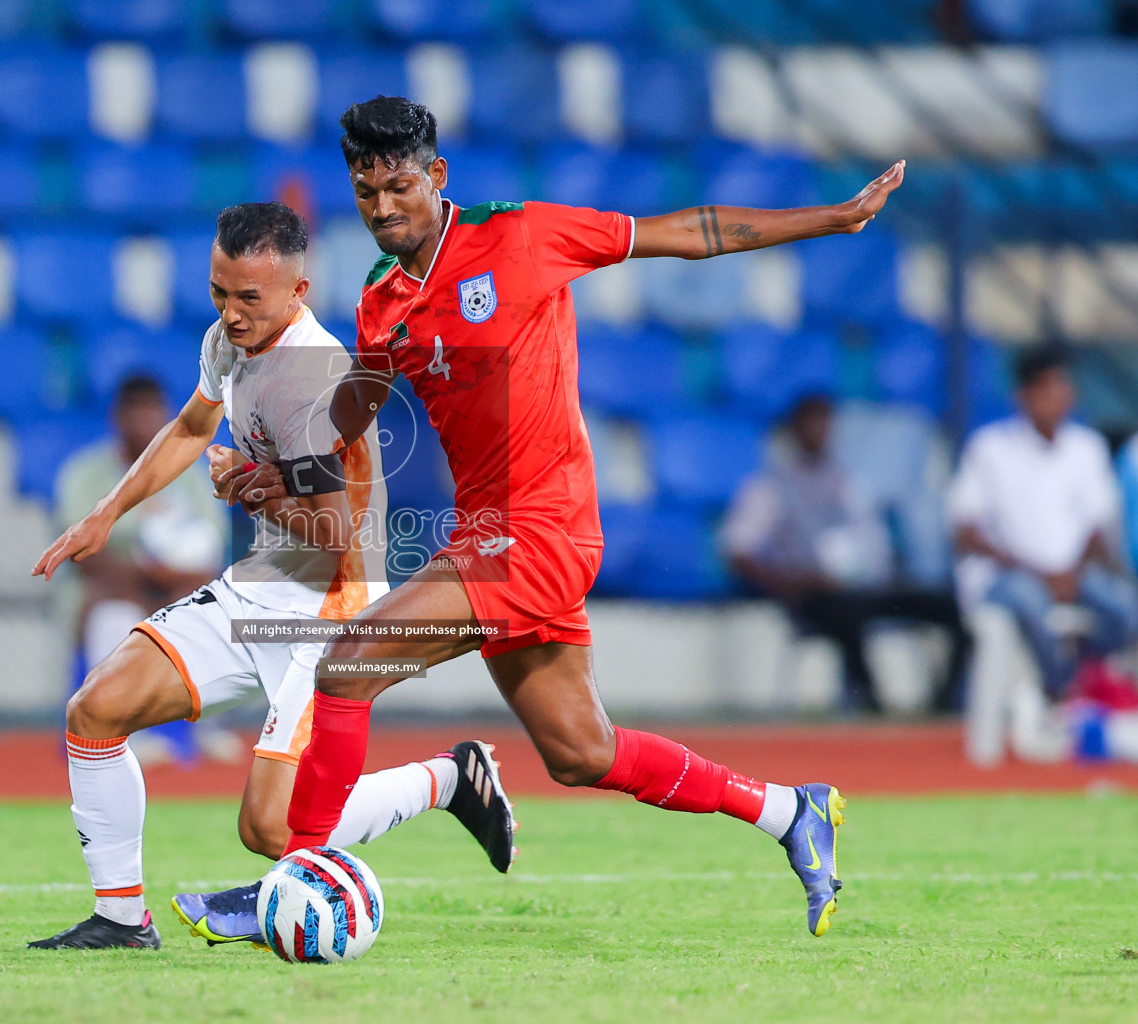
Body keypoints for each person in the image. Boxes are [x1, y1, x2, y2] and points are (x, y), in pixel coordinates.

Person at [188, 97, 907, 940]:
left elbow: (686, 231)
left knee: (345, 663)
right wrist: (270, 472)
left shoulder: (521, 236)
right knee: (580, 751)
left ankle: (288, 878)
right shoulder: (382, 301)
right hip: (482, 536)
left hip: (541, 530)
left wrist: (834, 218)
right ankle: (792, 812)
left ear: (436, 176)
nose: (382, 208)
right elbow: (354, 416)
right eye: (365, 191)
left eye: (398, 187)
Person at [27, 202, 514, 951]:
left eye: (249, 298)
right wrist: (105, 511)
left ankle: (447, 780)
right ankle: (122, 919)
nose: (231, 312)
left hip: (332, 605)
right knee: (94, 711)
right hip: (261, 583)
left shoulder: (310, 383)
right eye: (220, 291)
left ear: (299, 290)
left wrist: (249, 486)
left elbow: (338, 530)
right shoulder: (230, 339)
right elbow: (193, 426)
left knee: (271, 826)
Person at [723, 393, 970, 714]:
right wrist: (791, 582)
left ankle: (944, 702)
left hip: (864, 585)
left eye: (825, 422)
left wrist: (868, 569)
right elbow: (738, 552)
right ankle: (871, 701)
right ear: (793, 430)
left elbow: (871, 538)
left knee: (955, 608)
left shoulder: (847, 479)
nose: (819, 430)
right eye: (810, 422)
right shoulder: (771, 486)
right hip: (813, 592)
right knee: (846, 616)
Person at [949, 343, 1138, 699]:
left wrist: (1071, 573)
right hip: (1009, 576)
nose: (1060, 397)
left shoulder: (1086, 447)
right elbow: (967, 532)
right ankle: (1061, 690)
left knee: (1127, 608)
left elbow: (1099, 527)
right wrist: (1039, 573)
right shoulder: (989, 448)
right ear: (1024, 394)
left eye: (1064, 386)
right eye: (1049, 387)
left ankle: (1083, 678)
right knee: (1030, 603)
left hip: (1074, 574)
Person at [55, 374, 226, 677]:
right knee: (117, 619)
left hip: (177, 587)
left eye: (153, 410)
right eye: (136, 410)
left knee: (208, 615)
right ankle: (118, 721)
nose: (145, 421)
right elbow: (81, 554)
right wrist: (137, 583)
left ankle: (204, 723)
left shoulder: (193, 477)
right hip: (108, 590)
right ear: (117, 417)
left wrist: (166, 586)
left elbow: (210, 551)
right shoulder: (86, 474)